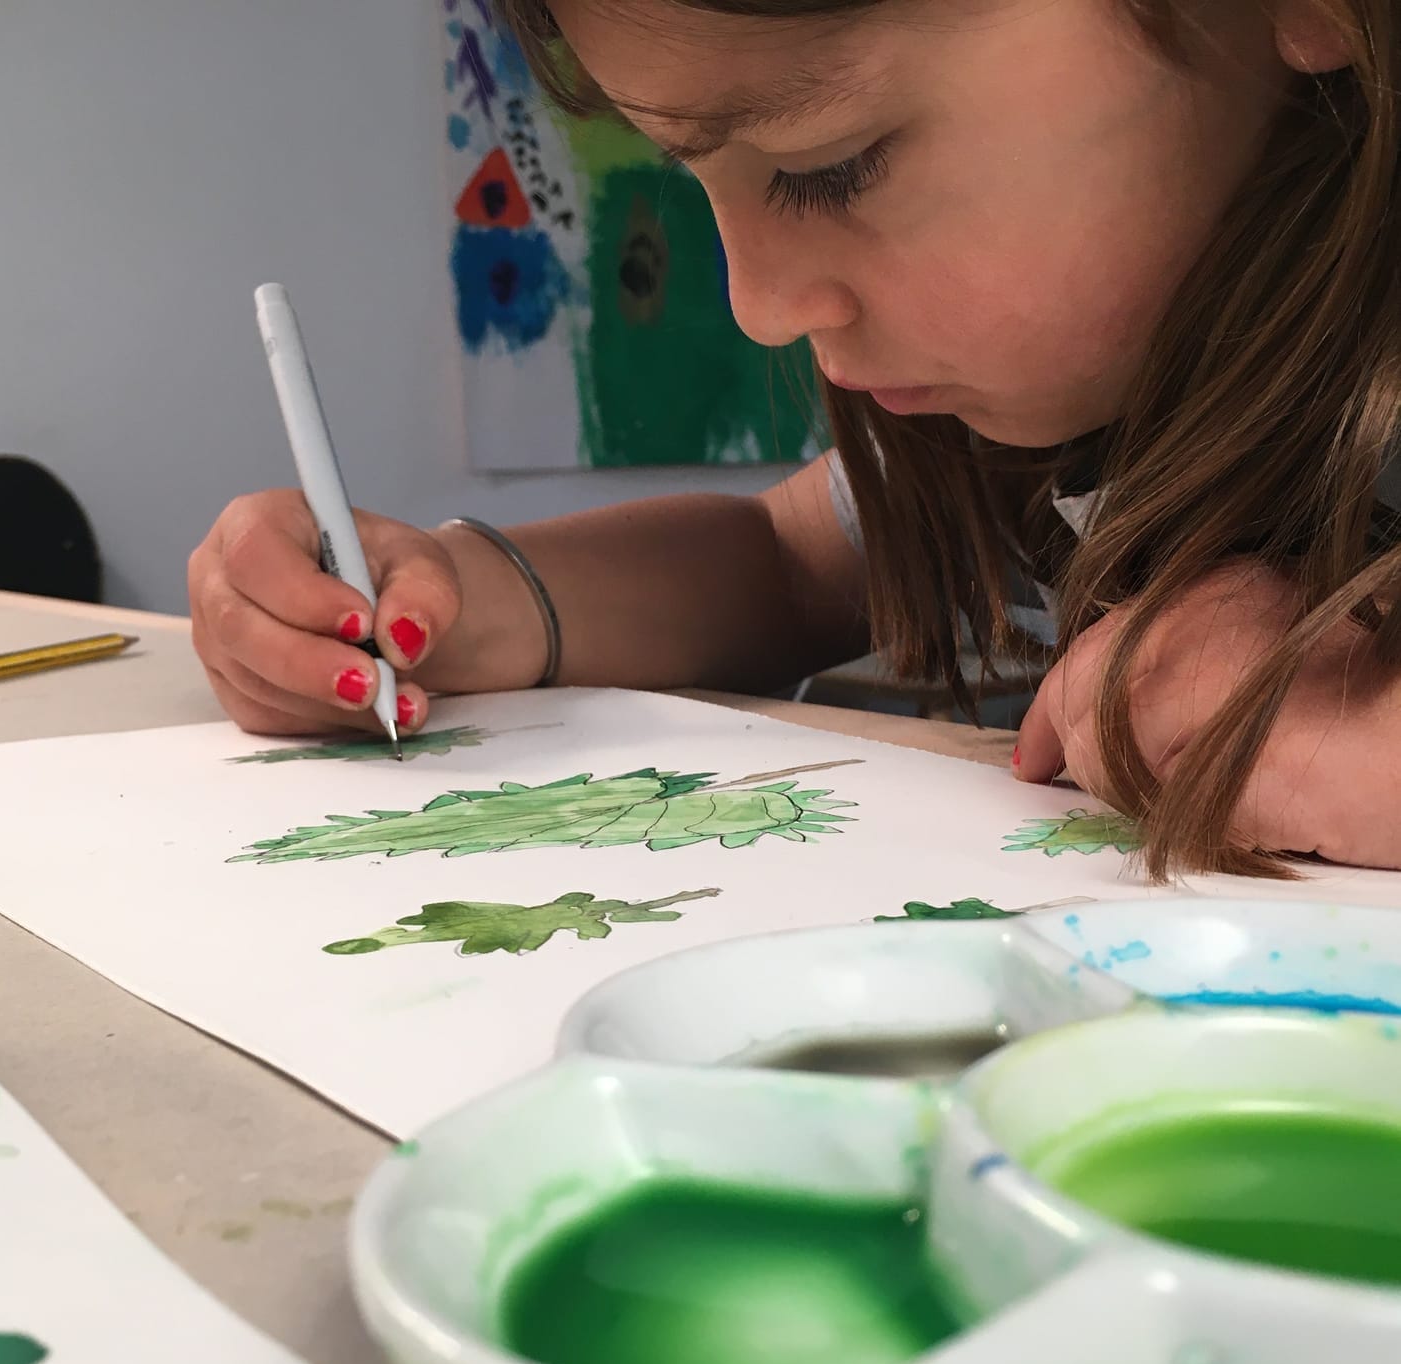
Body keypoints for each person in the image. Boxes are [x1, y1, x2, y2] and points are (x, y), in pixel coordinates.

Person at [189, 0, 1399, 879]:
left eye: (828, 169)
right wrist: (460, 597)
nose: (759, 305)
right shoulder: (1074, 403)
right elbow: (789, 559)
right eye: (691, 179)